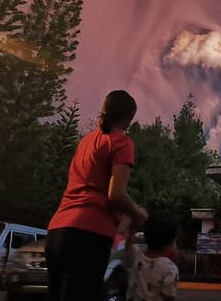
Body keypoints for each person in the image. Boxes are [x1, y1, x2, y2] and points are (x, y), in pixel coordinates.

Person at [45, 90, 148, 301]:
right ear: (129, 118)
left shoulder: (87, 141)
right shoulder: (122, 143)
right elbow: (116, 194)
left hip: (57, 231)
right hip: (88, 235)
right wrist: (139, 214)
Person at [125, 211, 179, 301]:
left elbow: (128, 245)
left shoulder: (136, 255)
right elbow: (169, 298)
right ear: (172, 242)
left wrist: (132, 227)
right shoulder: (169, 269)